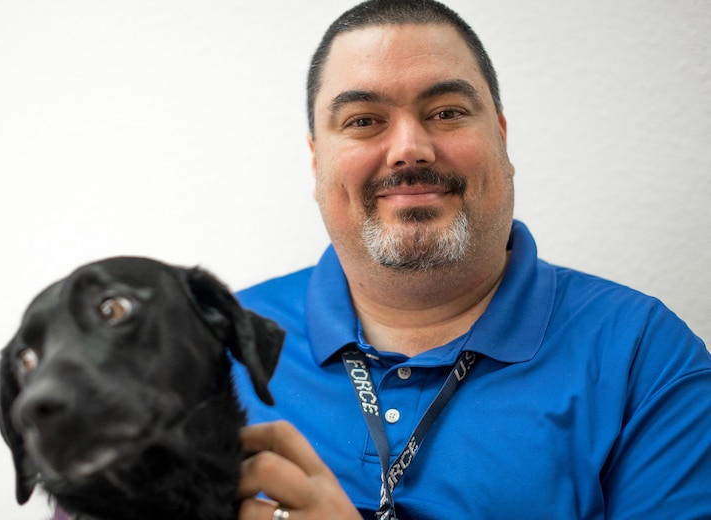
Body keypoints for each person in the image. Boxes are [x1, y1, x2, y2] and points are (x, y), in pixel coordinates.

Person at [232, 1, 711, 519]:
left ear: (500, 137)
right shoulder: (218, 344)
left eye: (446, 113)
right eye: (364, 120)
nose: (409, 149)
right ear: (316, 161)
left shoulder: (643, 354)